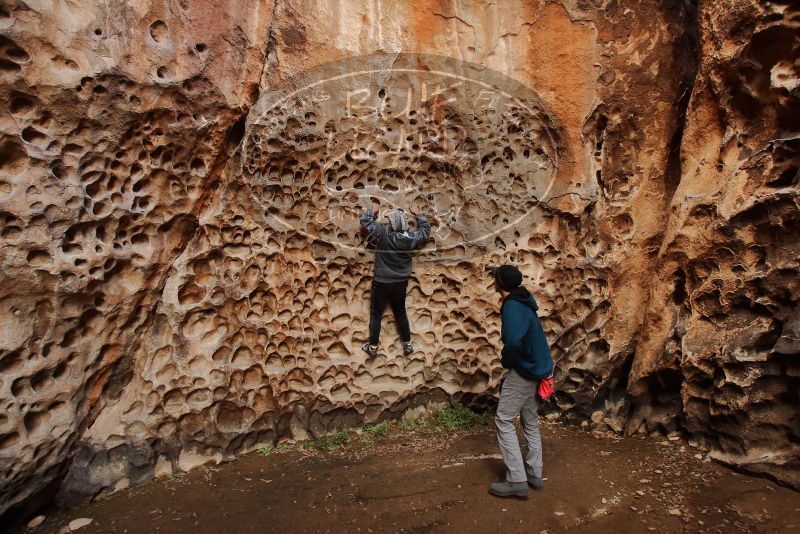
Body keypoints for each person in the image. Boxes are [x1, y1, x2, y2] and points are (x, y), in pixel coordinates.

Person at [489, 264, 554, 498]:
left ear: (501, 284)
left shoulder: (512, 306)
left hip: (524, 372)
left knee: (504, 419)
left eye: (495, 278)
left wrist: (507, 360)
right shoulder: (525, 302)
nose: (493, 281)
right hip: (539, 369)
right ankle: (534, 474)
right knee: (530, 421)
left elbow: (514, 340)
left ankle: (517, 480)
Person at [359, 207, 431, 357]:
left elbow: (365, 221)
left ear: (391, 225)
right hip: (400, 282)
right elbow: (425, 231)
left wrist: (372, 212)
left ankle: (373, 348)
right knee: (400, 312)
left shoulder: (383, 234)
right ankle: (408, 345)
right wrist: (419, 215)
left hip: (382, 282)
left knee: (376, 314)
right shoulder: (411, 238)